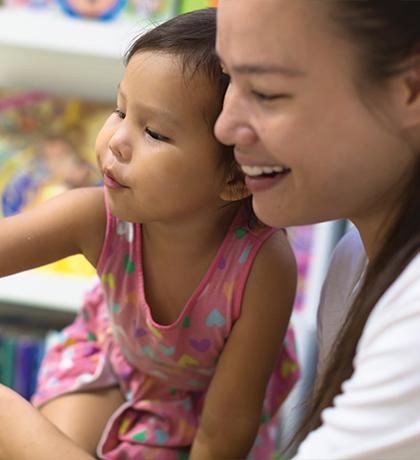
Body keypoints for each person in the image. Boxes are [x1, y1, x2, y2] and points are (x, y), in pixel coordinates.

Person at [0, 8, 299, 460]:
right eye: (120, 109)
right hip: (109, 361)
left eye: (154, 132)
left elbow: (226, 428)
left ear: (238, 176)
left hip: (201, 406)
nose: (116, 139)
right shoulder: (95, 215)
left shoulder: (263, 267)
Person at [214, 0, 420, 459]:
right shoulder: (353, 260)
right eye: (228, 79)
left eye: (265, 92)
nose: (224, 127)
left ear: (411, 88)